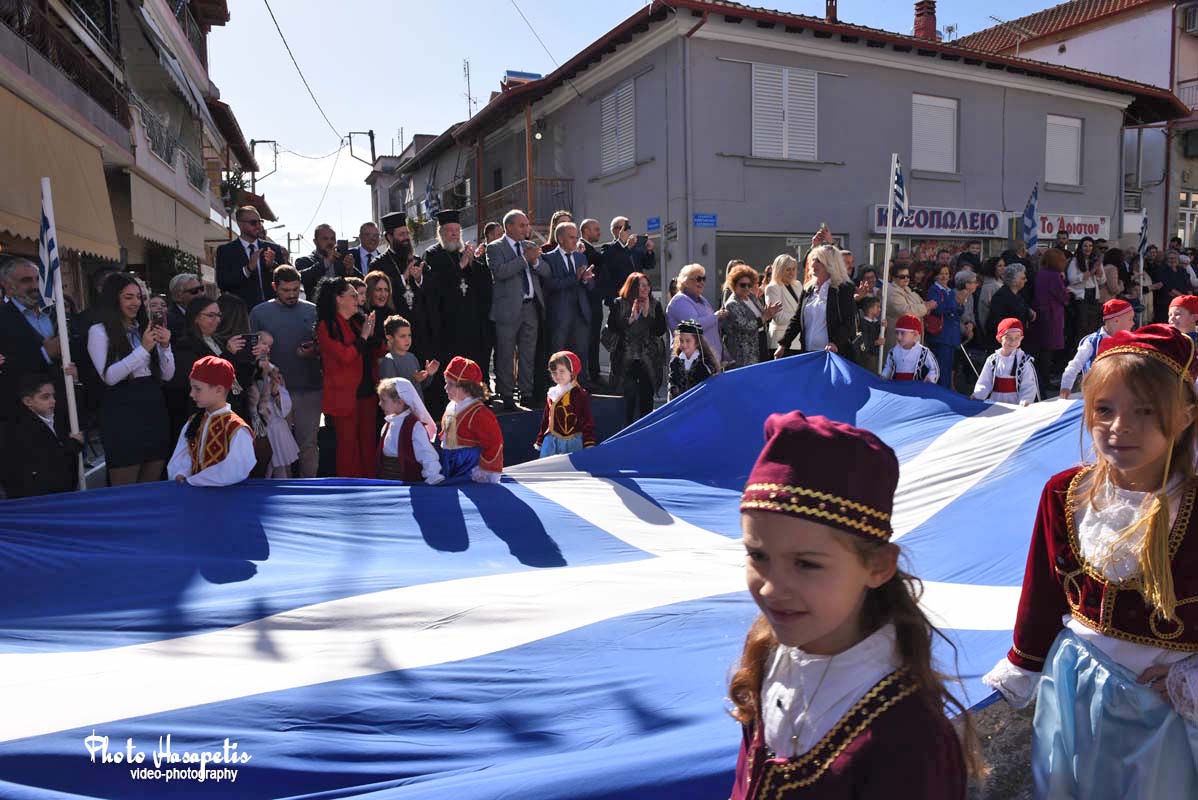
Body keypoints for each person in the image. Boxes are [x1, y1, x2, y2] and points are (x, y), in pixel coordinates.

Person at [983, 324, 1198, 798]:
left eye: (1145, 411)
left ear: (1184, 415)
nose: (1120, 427)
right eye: (1104, 409)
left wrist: (1189, 679)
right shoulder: (1066, 492)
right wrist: (1024, 665)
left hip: (1165, 709)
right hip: (1075, 687)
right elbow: (1042, 594)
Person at [732, 411, 973, 799]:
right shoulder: (766, 651)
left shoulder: (910, 741)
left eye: (806, 564)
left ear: (877, 566)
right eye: (758, 556)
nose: (772, 589)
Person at [87, 272, 174, 486]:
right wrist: (143, 349)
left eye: (138, 297)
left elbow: (167, 374)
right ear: (113, 298)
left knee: (151, 481)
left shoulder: (144, 328)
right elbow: (109, 377)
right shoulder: (99, 331)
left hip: (153, 405)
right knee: (125, 486)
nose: (135, 302)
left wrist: (165, 347)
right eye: (128, 297)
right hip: (122, 410)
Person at [250, 265, 321, 478]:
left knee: (308, 445)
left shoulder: (312, 310)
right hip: (274, 393)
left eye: (295, 290)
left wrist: (313, 350)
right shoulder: (259, 313)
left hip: (309, 388)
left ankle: (309, 491)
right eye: (285, 290)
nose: (291, 295)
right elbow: (252, 352)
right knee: (280, 448)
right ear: (274, 287)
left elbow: (324, 347)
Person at [424, 208, 492, 389]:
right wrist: (461, 264)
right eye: (450, 231)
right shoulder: (433, 254)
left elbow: (481, 281)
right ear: (441, 233)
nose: (455, 235)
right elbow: (436, 286)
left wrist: (473, 262)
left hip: (471, 321)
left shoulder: (463, 252)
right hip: (448, 324)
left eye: (457, 231)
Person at [489, 209, 550, 411]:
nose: (526, 229)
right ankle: (506, 395)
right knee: (506, 354)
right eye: (522, 225)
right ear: (509, 227)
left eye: (526, 224)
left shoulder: (529, 246)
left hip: (530, 308)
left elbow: (546, 271)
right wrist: (524, 259)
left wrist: (535, 261)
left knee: (528, 353)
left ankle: (526, 393)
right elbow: (500, 272)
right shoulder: (495, 248)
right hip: (507, 310)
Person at [315, 277, 375, 478]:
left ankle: (372, 484)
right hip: (343, 396)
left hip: (366, 391)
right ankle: (350, 487)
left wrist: (372, 334)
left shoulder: (356, 322)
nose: (358, 299)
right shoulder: (327, 326)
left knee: (368, 443)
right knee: (347, 446)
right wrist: (364, 337)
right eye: (353, 295)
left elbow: (375, 352)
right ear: (339, 299)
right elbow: (345, 356)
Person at [167, 355, 255, 487]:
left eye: (198, 389)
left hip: (226, 500)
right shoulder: (194, 422)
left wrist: (193, 481)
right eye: (192, 388)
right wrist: (181, 473)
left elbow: (235, 469)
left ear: (219, 390)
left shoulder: (236, 428)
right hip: (194, 497)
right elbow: (182, 456)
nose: (191, 394)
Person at [1, 373, 82, 498]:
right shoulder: (20, 428)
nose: (53, 401)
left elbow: (78, 413)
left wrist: (75, 382)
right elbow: (49, 460)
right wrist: (74, 444)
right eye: (45, 397)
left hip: (61, 493)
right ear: (28, 401)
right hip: (38, 500)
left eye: (53, 396)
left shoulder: (52, 416)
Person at [540, 221, 597, 383]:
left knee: (580, 353)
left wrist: (586, 280)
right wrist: (575, 278)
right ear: (560, 238)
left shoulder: (581, 256)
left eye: (576, 237)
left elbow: (590, 285)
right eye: (571, 237)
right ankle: (556, 388)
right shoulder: (548, 258)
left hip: (580, 313)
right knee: (558, 354)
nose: (575, 240)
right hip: (559, 314)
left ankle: (581, 386)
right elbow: (551, 284)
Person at [776, 245, 856, 359]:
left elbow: (849, 322)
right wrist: (783, 344)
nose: (813, 264)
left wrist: (835, 343)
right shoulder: (808, 288)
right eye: (813, 259)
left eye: (818, 261)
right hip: (808, 353)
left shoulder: (843, 288)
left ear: (830, 263)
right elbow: (797, 319)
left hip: (833, 355)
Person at [607, 272, 667, 425]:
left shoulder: (655, 304)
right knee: (628, 398)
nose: (646, 288)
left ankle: (645, 432)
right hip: (625, 359)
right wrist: (631, 319)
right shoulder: (619, 303)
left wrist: (647, 316)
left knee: (646, 398)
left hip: (648, 359)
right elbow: (612, 327)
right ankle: (626, 431)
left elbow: (660, 330)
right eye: (642, 285)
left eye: (647, 285)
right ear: (632, 286)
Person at [440, 356, 503, 483]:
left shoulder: (479, 413)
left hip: (469, 469)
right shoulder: (451, 406)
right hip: (450, 464)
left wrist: (484, 471)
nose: (445, 388)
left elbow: (494, 443)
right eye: (446, 382)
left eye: (450, 384)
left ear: (466, 388)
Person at [215, 205, 289, 309]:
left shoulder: (273, 249)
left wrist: (272, 266)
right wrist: (247, 269)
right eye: (253, 223)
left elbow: (286, 280)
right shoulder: (226, 251)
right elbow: (223, 283)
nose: (258, 226)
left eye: (260, 222)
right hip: (242, 314)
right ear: (240, 224)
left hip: (272, 311)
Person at [1059, 298, 1136, 399]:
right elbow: (1075, 365)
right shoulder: (1092, 342)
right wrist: (1066, 386)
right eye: (1130, 319)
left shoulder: (1130, 341)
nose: (1133, 323)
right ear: (1116, 320)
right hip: (1096, 394)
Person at [376, 377, 442, 484]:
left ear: (399, 402)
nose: (380, 404)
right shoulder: (387, 424)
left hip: (406, 484)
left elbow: (426, 453)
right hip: (387, 483)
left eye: (383, 400)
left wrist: (433, 476)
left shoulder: (414, 427)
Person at [534, 350, 596, 457]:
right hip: (551, 442)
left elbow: (587, 420)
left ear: (572, 372)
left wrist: (588, 442)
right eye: (554, 372)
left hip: (571, 443)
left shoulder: (579, 394)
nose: (557, 375)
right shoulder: (552, 393)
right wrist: (540, 439)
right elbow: (546, 419)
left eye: (562, 371)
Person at [666, 263, 725, 366]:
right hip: (691, 362)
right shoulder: (680, 301)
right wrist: (716, 316)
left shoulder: (702, 299)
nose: (702, 282)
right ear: (685, 281)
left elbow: (712, 325)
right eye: (698, 279)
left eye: (704, 279)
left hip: (709, 361)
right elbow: (695, 325)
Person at [722, 264, 779, 370]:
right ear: (734, 285)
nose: (747, 288)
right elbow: (745, 326)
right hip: (744, 355)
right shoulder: (732, 304)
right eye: (743, 285)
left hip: (761, 345)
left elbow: (763, 314)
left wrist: (770, 312)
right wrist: (764, 317)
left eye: (749, 285)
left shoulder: (752, 297)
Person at [971, 318, 1038, 406]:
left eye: (1017, 338)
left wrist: (1025, 400)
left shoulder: (1024, 361)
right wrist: (977, 395)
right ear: (999, 339)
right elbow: (984, 382)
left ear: (1021, 338)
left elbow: (1028, 385)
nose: (1013, 341)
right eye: (1008, 338)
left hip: (1016, 404)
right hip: (995, 403)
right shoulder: (992, 360)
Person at [251, 360, 298, 479]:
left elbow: (285, 409)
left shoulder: (276, 382)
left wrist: (275, 393)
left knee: (280, 470)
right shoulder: (253, 384)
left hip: (277, 431)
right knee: (264, 470)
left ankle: (285, 494)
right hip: (261, 432)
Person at [378, 315, 440, 404]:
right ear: (390, 338)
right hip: (402, 414)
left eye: (409, 335)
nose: (407, 339)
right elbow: (390, 393)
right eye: (402, 336)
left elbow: (420, 386)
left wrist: (429, 374)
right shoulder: (389, 361)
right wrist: (413, 380)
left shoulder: (412, 357)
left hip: (418, 410)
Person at [599, 216, 656, 310]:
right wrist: (625, 245)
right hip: (619, 296)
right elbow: (611, 263)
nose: (626, 231)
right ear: (613, 230)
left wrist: (649, 251)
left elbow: (649, 265)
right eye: (622, 228)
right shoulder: (607, 247)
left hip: (638, 295)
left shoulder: (635, 247)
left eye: (628, 228)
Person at [578, 217, 608, 387]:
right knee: (588, 339)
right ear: (586, 231)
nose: (599, 232)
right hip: (587, 302)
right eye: (596, 229)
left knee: (593, 338)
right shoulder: (582, 249)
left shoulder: (589, 249)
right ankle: (590, 375)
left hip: (594, 301)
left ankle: (593, 373)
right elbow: (600, 260)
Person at [297, 224, 363, 301]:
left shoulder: (341, 262)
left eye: (332, 239)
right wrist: (327, 261)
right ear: (315, 241)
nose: (330, 242)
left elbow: (363, 282)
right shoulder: (304, 261)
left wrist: (350, 269)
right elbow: (304, 278)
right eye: (325, 239)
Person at [921, 265, 961, 389]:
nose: (944, 276)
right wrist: (954, 307)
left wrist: (958, 306)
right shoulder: (935, 290)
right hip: (941, 335)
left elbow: (958, 310)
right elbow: (937, 308)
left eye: (947, 274)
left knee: (948, 367)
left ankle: (946, 391)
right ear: (936, 276)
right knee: (941, 367)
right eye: (941, 273)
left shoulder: (950, 291)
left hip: (951, 335)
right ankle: (941, 392)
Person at [881, 262, 934, 354]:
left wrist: (925, 306)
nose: (906, 279)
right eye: (902, 276)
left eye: (908, 276)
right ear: (893, 277)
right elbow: (906, 311)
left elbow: (921, 303)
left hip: (911, 340)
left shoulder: (907, 289)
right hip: (899, 340)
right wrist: (926, 307)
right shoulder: (892, 292)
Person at [668, 319, 720, 400]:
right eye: (681, 341)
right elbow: (672, 384)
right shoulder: (675, 362)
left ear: (697, 343)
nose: (684, 344)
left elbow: (710, 388)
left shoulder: (705, 363)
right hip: (681, 406)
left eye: (688, 341)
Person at [880, 314, 939, 383]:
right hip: (897, 387)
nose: (898, 337)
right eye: (897, 333)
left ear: (915, 334)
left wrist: (929, 379)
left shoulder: (923, 352)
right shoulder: (893, 352)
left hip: (915, 389)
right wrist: (883, 376)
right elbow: (888, 367)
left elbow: (934, 369)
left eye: (902, 333)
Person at [987, 263, 1035, 344]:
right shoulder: (1001, 296)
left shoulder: (1016, 294)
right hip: (1007, 342)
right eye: (1023, 278)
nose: (1026, 280)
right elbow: (997, 320)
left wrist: (1029, 311)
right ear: (1014, 281)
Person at [763, 255, 801, 354]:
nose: (791, 273)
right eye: (788, 270)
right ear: (779, 270)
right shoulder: (773, 288)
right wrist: (801, 317)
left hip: (799, 341)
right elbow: (779, 318)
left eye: (793, 269)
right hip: (780, 342)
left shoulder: (797, 284)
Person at [166, 273, 204, 338]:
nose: (200, 294)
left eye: (201, 288)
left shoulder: (205, 313)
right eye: (194, 291)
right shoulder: (170, 321)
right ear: (178, 296)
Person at [976, 256, 1006, 335]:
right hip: (993, 327)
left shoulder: (1001, 282)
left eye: (1004, 265)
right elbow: (984, 310)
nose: (1003, 268)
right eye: (999, 266)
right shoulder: (989, 286)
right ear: (993, 268)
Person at [854, 296, 884, 372]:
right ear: (870, 309)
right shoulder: (863, 324)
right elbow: (863, 343)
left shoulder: (876, 323)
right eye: (877, 307)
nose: (879, 309)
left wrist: (884, 328)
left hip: (876, 355)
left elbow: (880, 336)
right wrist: (876, 342)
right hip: (867, 358)